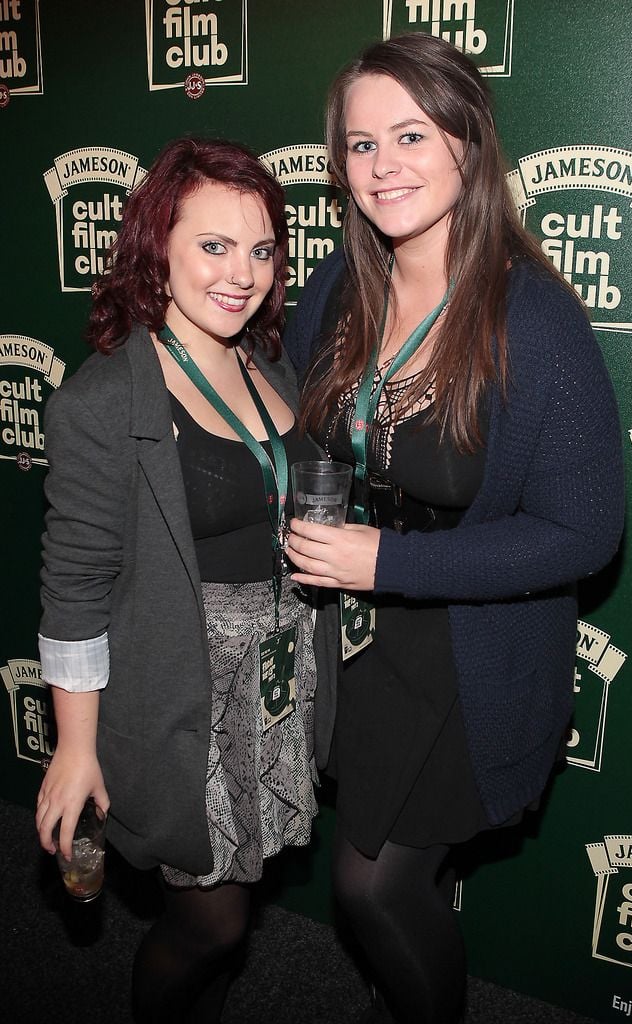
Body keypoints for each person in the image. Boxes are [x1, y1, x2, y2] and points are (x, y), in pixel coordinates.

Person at [284, 33, 624, 1024]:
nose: (382, 166)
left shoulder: (534, 321)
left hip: (467, 649)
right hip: (358, 635)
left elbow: (584, 532)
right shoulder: (341, 290)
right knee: (386, 877)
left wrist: (384, 556)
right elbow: (301, 432)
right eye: (358, 144)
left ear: (468, 145)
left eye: (410, 135)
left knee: (373, 886)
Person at [35, 136, 324, 1023]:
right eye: (214, 246)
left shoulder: (264, 360)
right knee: (211, 925)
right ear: (156, 246)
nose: (243, 274)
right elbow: (74, 589)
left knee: (236, 905)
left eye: (263, 250)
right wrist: (75, 746)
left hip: (273, 680)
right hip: (181, 694)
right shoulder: (104, 402)